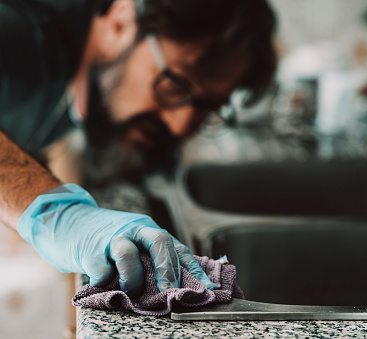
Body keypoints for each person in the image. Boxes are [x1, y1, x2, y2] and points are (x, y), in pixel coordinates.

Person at [0, 0, 276, 295]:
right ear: (121, 22)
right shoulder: (20, 32)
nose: (180, 125)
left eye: (207, 106)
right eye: (177, 84)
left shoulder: (82, 76)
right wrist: (58, 215)